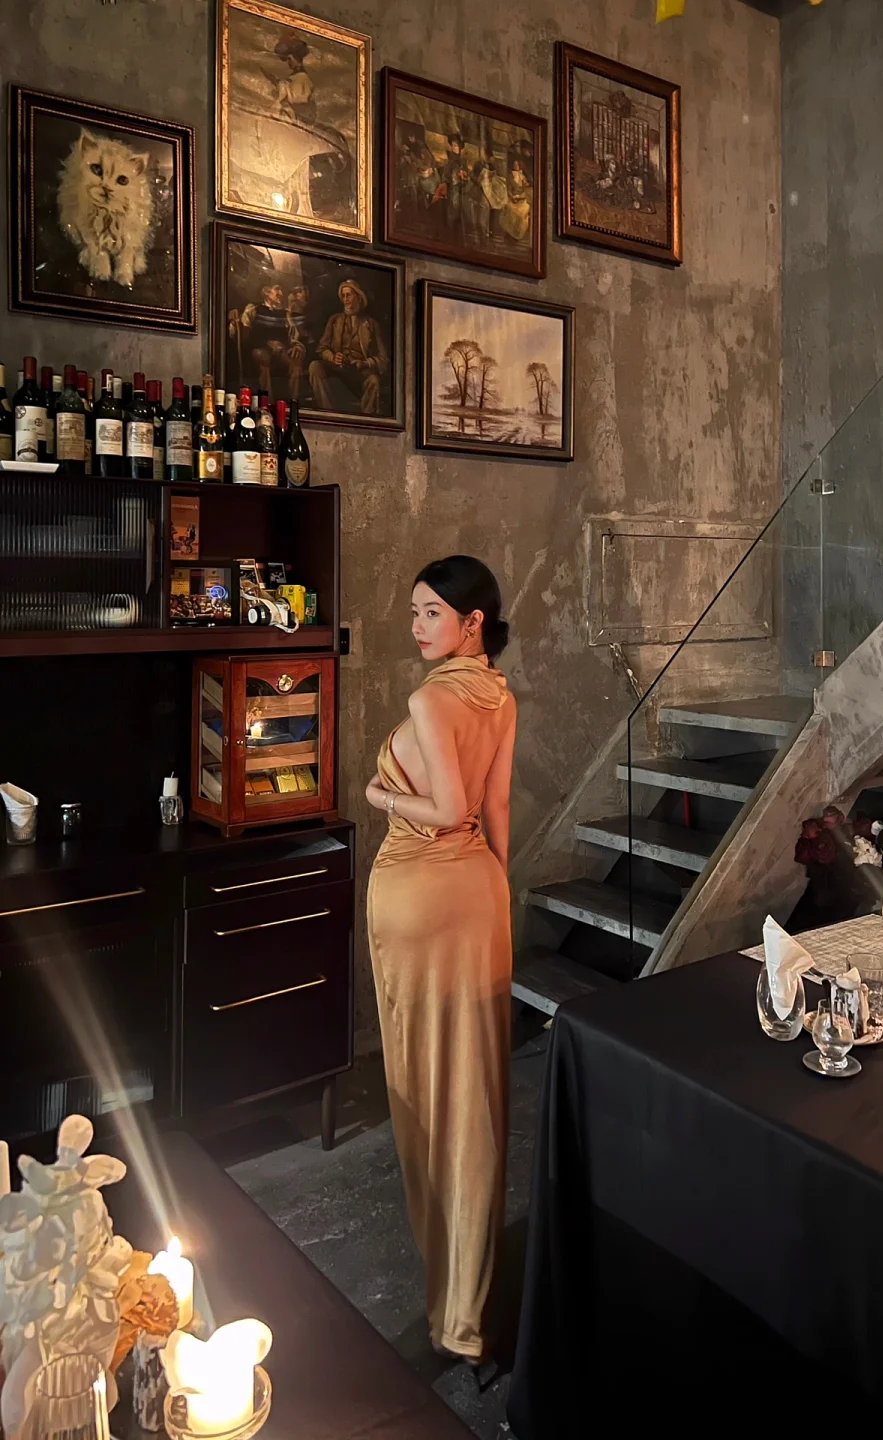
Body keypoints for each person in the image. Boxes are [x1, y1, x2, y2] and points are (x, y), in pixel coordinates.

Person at [366, 556, 516, 1365]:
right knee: (476, 1095)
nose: (417, 626)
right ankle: (469, 1302)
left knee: (428, 1088)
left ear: (472, 621)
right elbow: (496, 811)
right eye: (415, 612)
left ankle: (454, 1310)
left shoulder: (432, 700)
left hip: (421, 901)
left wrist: (379, 795)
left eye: (431, 612)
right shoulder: (499, 695)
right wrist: (499, 897)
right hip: (478, 897)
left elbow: (452, 808)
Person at [308, 279, 388, 414]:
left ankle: (366, 420)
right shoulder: (335, 320)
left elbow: (383, 359)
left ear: (359, 297)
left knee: (373, 380)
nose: (345, 300)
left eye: (349, 295)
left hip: (360, 371)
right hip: (337, 368)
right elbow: (322, 348)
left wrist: (365, 363)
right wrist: (332, 357)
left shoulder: (371, 324)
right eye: (343, 296)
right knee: (315, 366)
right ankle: (327, 413)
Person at [228, 280, 308, 400]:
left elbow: (294, 336)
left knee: (295, 365)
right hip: (260, 349)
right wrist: (235, 323)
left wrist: (297, 347)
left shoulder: (285, 314)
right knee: (262, 358)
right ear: (266, 292)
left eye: (281, 290)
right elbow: (242, 334)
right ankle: (266, 402)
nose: (281, 293)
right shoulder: (253, 309)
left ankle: (294, 402)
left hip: (281, 350)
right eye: (277, 289)